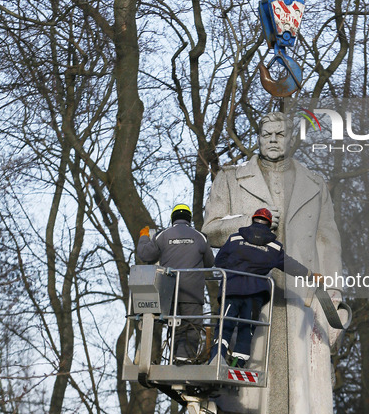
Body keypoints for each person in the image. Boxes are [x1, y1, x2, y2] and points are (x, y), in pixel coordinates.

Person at [203, 112, 344, 414]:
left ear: (291, 138)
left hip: (300, 303)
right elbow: (210, 230)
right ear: (258, 137)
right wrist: (247, 219)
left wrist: (335, 298)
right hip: (249, 292)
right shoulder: (230, 178)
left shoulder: (315, 185)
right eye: (266, 134)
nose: (272, 140)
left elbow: (328, 242)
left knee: (302, 392)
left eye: (279, 135)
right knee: (243, 374)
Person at [208, 208, 313, 369]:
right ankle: (238, 364)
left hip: (232, 289)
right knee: (246, 330)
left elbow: (219, 261)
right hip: (255, 294)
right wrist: (310, 275)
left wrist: (235, 269)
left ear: (253, 220)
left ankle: (216, 359)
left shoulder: (235, 238)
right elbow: (291, 266)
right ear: (269, 224)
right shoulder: (274, 247)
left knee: (224, 326)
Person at [137, 204, 215, 363]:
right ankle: (183, 360)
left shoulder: (162, 236)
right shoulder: (200, 236)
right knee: (192, 328)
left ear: (173, 219)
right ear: (189, 219)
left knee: (176, 326)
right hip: (192, 292)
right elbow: (210, 262)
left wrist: (144, 237)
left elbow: (146, 254)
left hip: (170, 292)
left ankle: (178, 359)